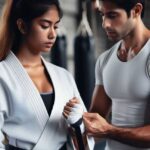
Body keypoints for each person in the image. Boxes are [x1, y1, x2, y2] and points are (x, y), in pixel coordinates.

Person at [0, 0, 91, 150]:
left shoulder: (64, 76)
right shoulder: (3, 75)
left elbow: (85, 142)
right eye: (45, 26)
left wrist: (78, 124)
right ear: (22, 26)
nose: (53, 34)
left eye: (56, 26)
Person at [64, 0, 150, 149]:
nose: (105, 24)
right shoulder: (105, 59)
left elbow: (105, 129)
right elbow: (95, 123)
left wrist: (109, 131)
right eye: (102, 15)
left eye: (112, 15)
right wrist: (76, 121)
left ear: (136, 10)